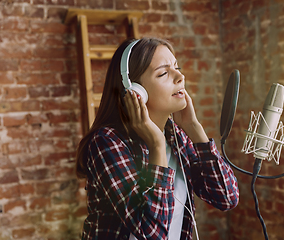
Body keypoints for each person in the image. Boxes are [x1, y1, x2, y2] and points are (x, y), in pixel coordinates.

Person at [75, 37, 239, 240]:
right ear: (135, 92)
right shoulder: (107, 142)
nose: (180, 76)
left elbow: (226, 197)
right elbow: (151, 233)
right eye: (163, 73)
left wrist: (194, 128)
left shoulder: (176, 136)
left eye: (177, 67)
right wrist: (157, 146)